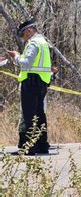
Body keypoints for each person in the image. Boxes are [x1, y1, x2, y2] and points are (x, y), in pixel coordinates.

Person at [6, 19, 52, 155]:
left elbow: (26, 63)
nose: (23, 38)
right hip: (42, 81)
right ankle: (42, 145)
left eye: (23, 34)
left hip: (31, 81)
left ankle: (30, 147)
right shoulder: (43, 42)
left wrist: (16, 56)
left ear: (29, 30)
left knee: (29, 115)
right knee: (39, 114)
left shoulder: (33, 43)